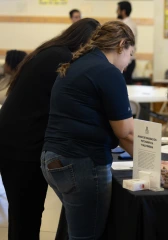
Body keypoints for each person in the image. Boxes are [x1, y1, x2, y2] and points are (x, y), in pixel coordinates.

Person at [0, 18, 99, 240]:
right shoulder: (61, 58)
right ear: (85, 42)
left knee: (24, 213)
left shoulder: (52, 51)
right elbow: (72, 103)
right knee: (27, 214)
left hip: (16, 140)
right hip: (21, 145)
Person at [40, 20, 135, 239]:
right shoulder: (108, 72)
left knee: (78, 230)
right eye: (130, 54)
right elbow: (126, 133)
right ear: (122, 44)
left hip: (52, 159)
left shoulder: (78, 64)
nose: (128, 62)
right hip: (81, 162)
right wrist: (154, 164)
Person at [117, 1, 137, 84]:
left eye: (118, 9)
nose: (116, 12)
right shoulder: (125, 24)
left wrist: (125, 62)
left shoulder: (128, 25)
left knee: (125, 88)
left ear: (123, 11)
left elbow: (129, 44)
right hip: (125, 61)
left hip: (127, 62)